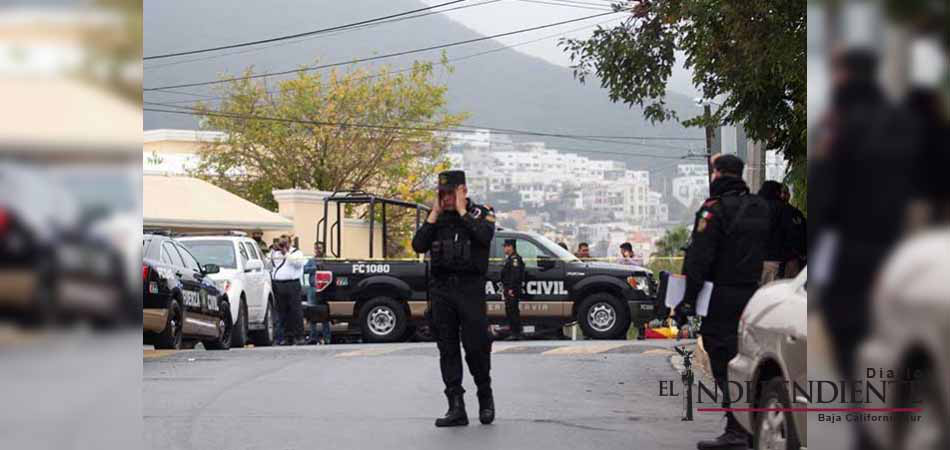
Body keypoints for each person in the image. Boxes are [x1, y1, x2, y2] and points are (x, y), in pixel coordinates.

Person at [675, 154, 769, 450]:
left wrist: (686, 302)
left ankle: (736, 430)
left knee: (723, 361)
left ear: (716, 174)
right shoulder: (760, 207)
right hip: (754, 295)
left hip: (721, 297)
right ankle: (752, 427)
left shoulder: (712, 210)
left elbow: (699, 259)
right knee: (748, 361)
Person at [412, 170, 496, 427]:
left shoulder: (481, 214)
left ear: (463, 191)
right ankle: (455, 406)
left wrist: (462, 211)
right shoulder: (436, 218)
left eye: (450, 194)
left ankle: (485, 396)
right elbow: (418, 245)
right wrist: (434, 215)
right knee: (447, 349)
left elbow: (484, 237)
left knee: (475, 347)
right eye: (442, 194)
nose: (446, 199)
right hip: (442, 292)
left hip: (470, 290)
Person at [269, 237, 306, 346]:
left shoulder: (296, 253)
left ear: (290, 243)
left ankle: (299, 336)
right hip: (278, 284)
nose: (282, 246)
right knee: (282, 312)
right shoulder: (275, 253)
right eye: (281, 243)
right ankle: (286, 337)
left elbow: (298, 264)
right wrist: (274, 251)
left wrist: (286, 253)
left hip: (292, 284)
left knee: (295, 311)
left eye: (284, 243)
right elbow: (269, 264)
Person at [758, 180, 786, 284]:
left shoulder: (752, 206)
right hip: (773, 259)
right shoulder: (781, 208)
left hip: (752, 260)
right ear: (776, 192)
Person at [305, 242, 332, 345]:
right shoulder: (312, 260)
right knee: (312, 314)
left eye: (319, 248)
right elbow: (304, 270)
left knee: (325, 315)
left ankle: (327, 337)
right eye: (316, 248)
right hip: (313, 289)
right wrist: (315, 268)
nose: (317, 250)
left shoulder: (328, 260)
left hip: (325, 288)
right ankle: (313, 337)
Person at [500, 239, 525, 341]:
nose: (504, 248)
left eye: (506, 246)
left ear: (511, 247)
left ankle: (516, 333)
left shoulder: (515, 260)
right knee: (510, 310)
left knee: (513, 311)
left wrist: (511, 288)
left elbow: (516, 276)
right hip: (509, 289)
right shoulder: (510, 259)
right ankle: (514, 332)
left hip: (512, 289)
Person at [780, 185, 806, 278]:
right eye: (781, 192)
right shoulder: (793, 212)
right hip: (784, 258)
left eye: (785, 193)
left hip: (792, 258)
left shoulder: (795, 213)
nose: (783, 195)